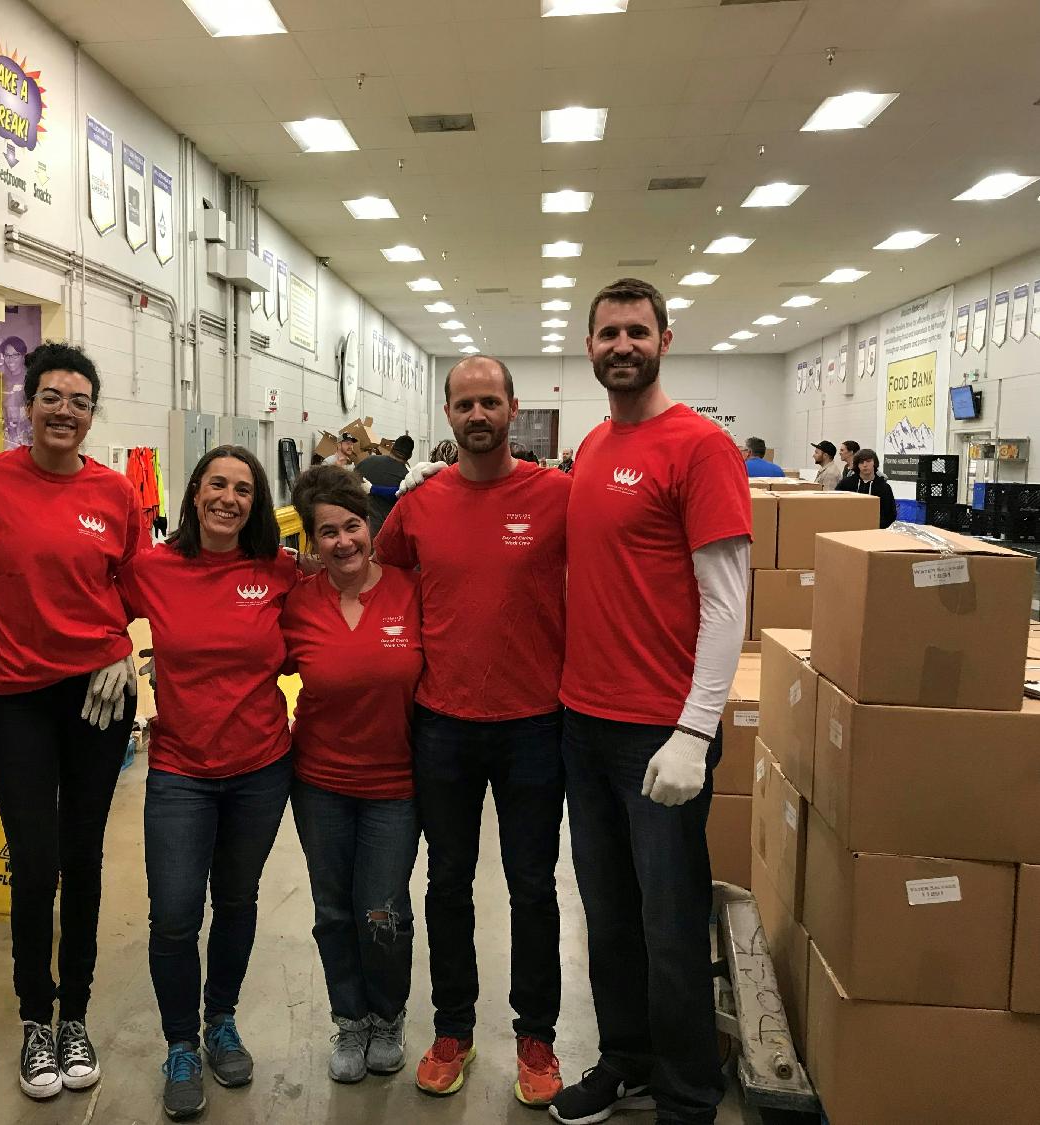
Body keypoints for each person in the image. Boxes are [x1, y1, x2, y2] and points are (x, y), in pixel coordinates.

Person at [550, 279, 751, 1125]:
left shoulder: (699, 446)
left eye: (637, 330)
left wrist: (695, 728)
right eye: (607, 332)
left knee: (670, 924)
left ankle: (688, 1091)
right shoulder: (593, 446)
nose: (621, 344)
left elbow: (727, 599)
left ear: (666, 338)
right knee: (608, 914)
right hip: (582, 721)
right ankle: (626, 1058)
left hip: (659, 732)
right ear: (588, 346)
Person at [0, 341, 143, 1103]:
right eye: (52, 397)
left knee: (84, 854)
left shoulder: (117, 493)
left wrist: (122, 644)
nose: (65, 411)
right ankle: (35, 1016)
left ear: (93, 415)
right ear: (29, 405)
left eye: (80, 400)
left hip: (97, 692)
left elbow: (135, 577)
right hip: (17, 693)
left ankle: (77, 1013)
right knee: (34, 857)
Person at [377, 356, 572, 1107]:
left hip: (535, 724)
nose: (479, 413)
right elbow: (377, 578)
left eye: (491, 401)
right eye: (466, 402)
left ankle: (537, 1035)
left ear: (513, 409)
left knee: (532, 886)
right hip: (443, 725)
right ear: (450, 413)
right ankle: (452, 1026)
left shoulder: (559, 496)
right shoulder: (419, 505)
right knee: (447, 883)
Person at [117, 446, 300, 1121]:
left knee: (238, 898)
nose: (228, 497)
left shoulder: (278, 570)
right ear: (194, 493)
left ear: (256, 503)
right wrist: (114, 650)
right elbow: (93, 606)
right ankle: (180, 1043)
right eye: (216, 484)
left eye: (243, 489)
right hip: (179, 771)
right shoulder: (154, 569)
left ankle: (220, 1018)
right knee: (172, 912)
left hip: (260, 766)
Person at [281, 466, 424, 1084]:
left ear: (371, 527)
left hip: (395, 785)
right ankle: (351, 1020)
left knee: (383, 909)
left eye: (352, 526)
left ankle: (388, 1016)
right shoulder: (298, 605)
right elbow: (241, 660)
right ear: (310, 543)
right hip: (319, 783)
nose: (343, 542)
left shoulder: (410, 590)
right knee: (334, 910)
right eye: (327, 532)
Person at [354, 434, 414, 536]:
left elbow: (349, 484)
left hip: (357, 527)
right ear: (409, 456)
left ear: (392, 448)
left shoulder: (367, 461)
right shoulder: (407, 478)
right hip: (385, 535)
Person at [835, 447, 897, 527]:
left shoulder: (884, 487)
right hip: (848, 528)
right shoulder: (846, 484)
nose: (865, 465)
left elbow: (890, 514)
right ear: (857, 465)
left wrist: (875, 526)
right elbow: (836, 506)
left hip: (875, 531)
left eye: (868, 461)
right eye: (861, 462)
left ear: (874, 463)